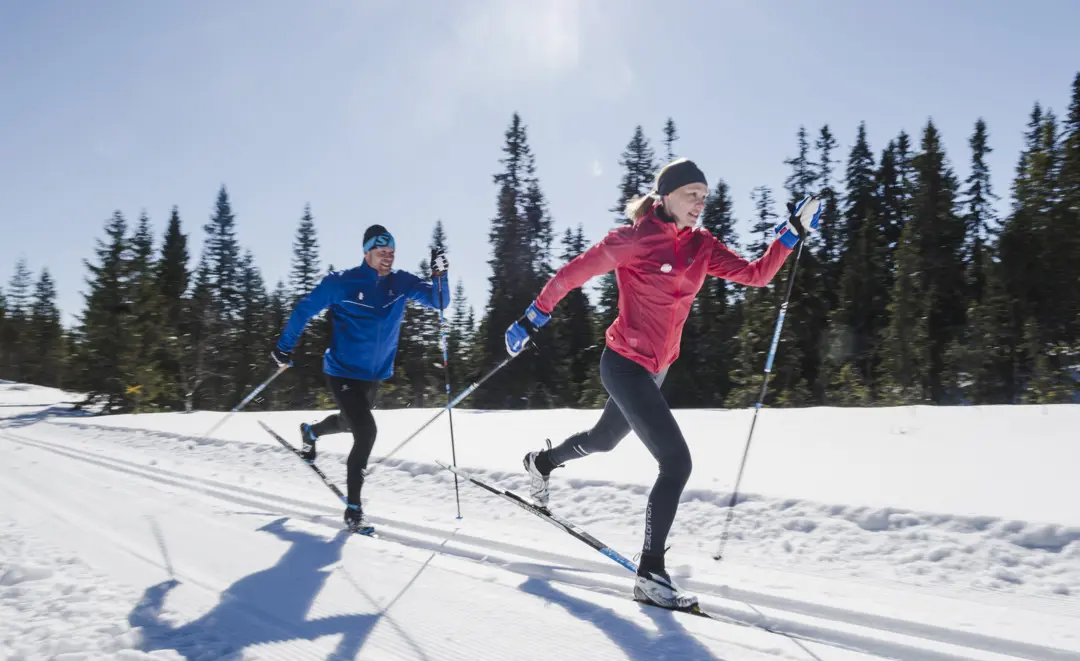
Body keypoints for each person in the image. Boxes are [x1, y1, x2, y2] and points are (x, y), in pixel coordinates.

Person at [504, 158, 821, 609]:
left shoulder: (701, 246)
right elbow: (573, 273)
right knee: (676, 463)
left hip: (656, 368)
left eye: (704, 196)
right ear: (666, 195)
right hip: (622, 364)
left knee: (604, 439)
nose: (699, 203)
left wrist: (789, 235)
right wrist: (534, 314)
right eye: (692, 194)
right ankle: (650, 573)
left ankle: (541, 463)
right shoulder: (634, 239)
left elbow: (757, 275)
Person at [272, 224, 450, 533]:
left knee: (348, 422)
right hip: (341, 371)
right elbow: (304, 309)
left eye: (392, 253)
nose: (388, 259)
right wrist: (283, 348)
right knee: (366, 431)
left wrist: (440, 275)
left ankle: (311, 433)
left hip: (373, 376)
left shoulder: (400, 282)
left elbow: (439, 302)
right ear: (366, 252)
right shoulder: (342, 283)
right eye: (382, 253)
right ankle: (354, 509)